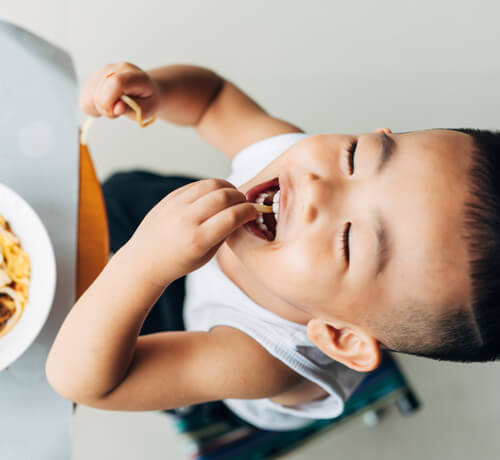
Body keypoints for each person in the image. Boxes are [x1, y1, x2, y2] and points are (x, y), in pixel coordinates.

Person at [46, 62, 500, 430]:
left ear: (339, 334)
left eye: (348, 241)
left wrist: (143, 265)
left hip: (188, 328)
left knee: (82, 323)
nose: (318, 189)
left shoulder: (261, 360)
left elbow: (85, 383)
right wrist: (157, 90)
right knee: (119, 199)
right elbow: (212, 100)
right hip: (173, 235)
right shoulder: (296, 161)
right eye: (354, 157)